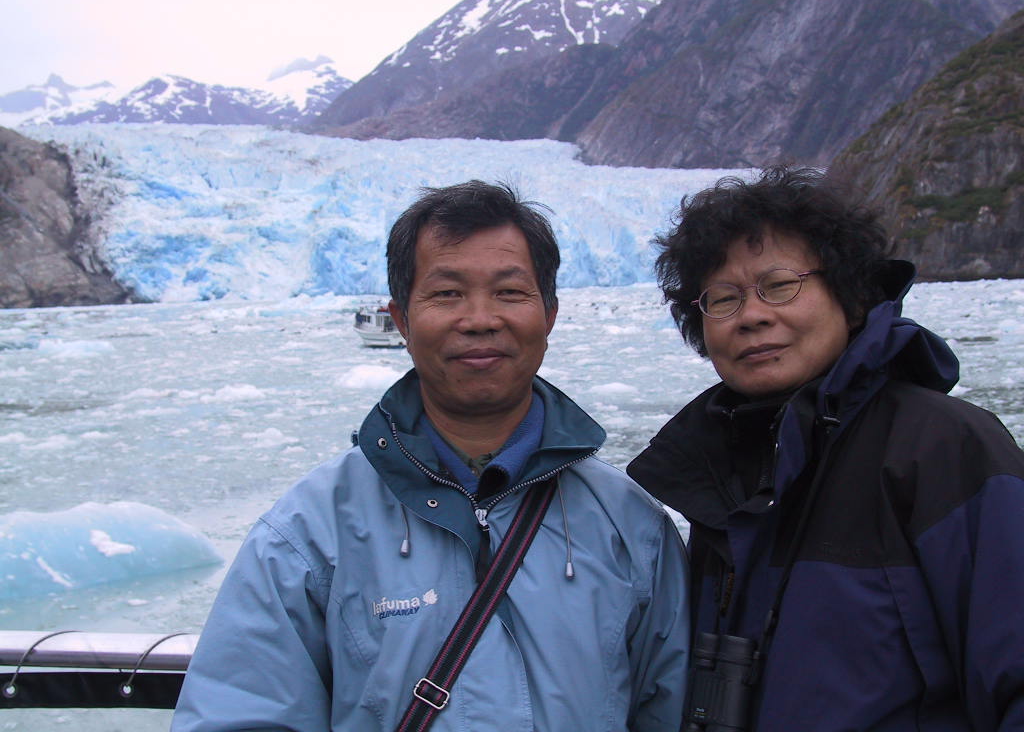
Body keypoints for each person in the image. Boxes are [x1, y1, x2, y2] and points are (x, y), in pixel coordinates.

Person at [173, 180, 689, 731]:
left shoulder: (630, 526)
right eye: (446, 294)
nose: (480, 319)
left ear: (550, 314)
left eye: (510, 292)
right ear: (401, 320)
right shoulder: (309, 533)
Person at [628, 166, 1024, 731]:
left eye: (780, 285)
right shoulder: (719, 474)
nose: (752, 315)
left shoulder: (945, 450)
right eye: (723, 298)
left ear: (851, 296)